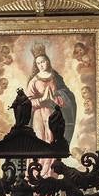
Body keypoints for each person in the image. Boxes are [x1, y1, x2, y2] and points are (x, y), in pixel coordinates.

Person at [23, 44, 77, 177]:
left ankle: (49, 174)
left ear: (48, 61)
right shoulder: (34, 81)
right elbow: (27, 102)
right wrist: (41, 100)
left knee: (51, 139)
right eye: (38, 63)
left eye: (43, 61)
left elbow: (66, 95)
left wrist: (55, 97)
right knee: (39, 139)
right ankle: (36, 174)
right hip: (38, 116)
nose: (41, 64)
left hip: (52, 114)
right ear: (36, 65)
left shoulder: (55, 77)